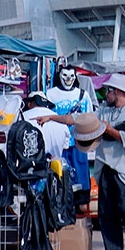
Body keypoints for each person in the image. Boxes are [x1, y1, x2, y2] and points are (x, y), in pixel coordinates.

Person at [43, 73, 125, 250]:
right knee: (106, 215)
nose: (105, 94)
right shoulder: (104, 111)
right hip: (107, 169)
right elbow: (78, 119)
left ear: (118, 92)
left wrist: (110, 131)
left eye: (108, 90)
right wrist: (52, 118)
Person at [46, 63, 92, 195]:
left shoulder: (83, 95)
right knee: (59, 178)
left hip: (78, 143)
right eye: (65, 75)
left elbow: (90, 118)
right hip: (57, 144)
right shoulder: (50, 94)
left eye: (71, 75)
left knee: (80, 182)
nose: (68, 79)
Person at [22, 91, 70, 159]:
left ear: (29, 104)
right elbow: (65, 147)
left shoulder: (22, 117)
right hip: (55, 164)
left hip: (30, 164)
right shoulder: (60, 120)